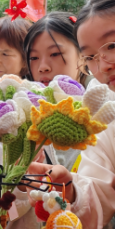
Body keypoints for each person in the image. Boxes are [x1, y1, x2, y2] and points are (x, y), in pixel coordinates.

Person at [29, 0, 115, 229]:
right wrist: (70, 188)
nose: (103, 65)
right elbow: (98, 192)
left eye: (112, 45)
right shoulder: (111, 116)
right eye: (91, 57)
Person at [23, 12, 91, 172]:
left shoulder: (104, 108)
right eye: (34, 58)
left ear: (82, 55)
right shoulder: (24, 111)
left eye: (55, 54)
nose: (43, 67)